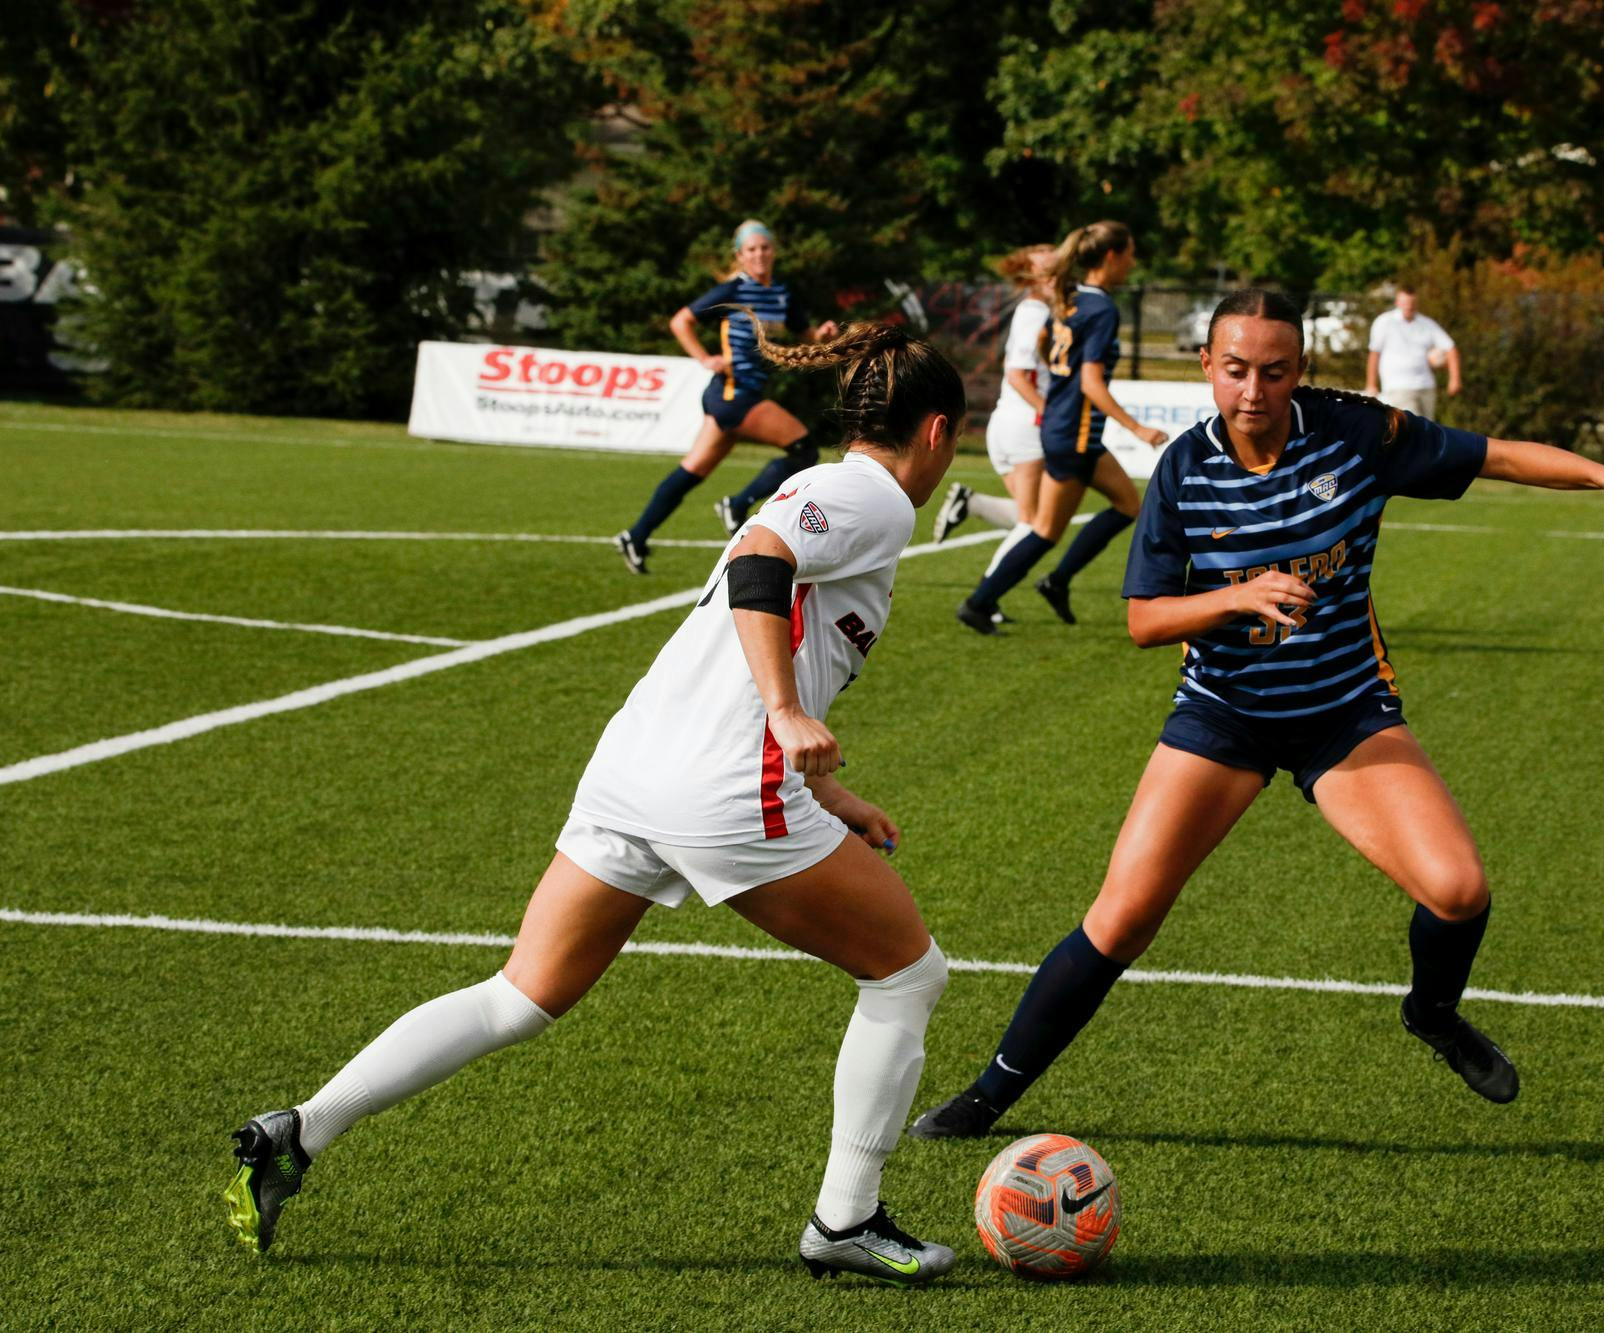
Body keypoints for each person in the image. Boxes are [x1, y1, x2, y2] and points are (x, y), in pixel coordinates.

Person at [227, 321, 966, 1286]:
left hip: (638, 766)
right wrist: (785, 715)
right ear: (940, 433)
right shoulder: (871, 495)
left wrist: (831, 785)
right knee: (907, 975)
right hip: (718, 785)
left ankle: (299, 1130)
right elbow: (759, 564)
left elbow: (764, 634)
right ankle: (846, 1218)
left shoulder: (842, 493)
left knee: (518, 996)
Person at [911, 289, 1604, 1140]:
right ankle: (986, 1095)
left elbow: (1491, 455)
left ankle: (1431, 1014)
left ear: (1301, 372)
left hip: (1342, 713)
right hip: (1223, 718)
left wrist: (1600, 472)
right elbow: (1143, 619)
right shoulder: (1181, 470)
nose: (1253, 390)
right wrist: (1234, 597)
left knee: (1460, 891)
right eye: (1235, 369)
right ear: (1207, 365)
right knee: (1123, 916)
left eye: (1274, 373)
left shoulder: (1357, 434)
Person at [955, 221, 1170, 634]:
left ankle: (1052, 582)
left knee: (1128, 505)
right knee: (1047, 529)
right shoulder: (1101, 307)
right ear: (1111, 256)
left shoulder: (1071, 300)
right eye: (1129, 253)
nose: (1133, 261)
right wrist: (1138, 428)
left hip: (1064, 426)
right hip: (1074, 432)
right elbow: (1090, 382)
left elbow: (1055, 356)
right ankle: (982, 601)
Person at [614, 219, 838, 574]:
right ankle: (737, 505)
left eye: (764, 247)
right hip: (735, 394)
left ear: (773, 251)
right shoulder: (733, 289)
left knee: (692, 471)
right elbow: (680, 321)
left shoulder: (781, 293)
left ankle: (636, 536)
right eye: (751, 249)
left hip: (734, 395)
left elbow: (804, 333)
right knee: (804, 449)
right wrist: (704, 358)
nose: (759, 254)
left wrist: (820, 333)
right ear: (740, 255)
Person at [932, 245, 1054, 619]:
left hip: (1009, 423)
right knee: (1035, 523)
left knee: (1029, 516)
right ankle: (984, 599)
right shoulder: (1035, 314)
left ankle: (973, 504)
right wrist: (1049, 413)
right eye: (1052, 270)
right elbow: (1017, 374)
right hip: (1025, 426)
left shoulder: (1034, 310)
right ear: (1036, 279)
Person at [1365, 285, 1460, 418]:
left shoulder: (1427, 324)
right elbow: (1374, 354)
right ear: (1397, 302)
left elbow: (1450, 348)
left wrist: (1454, 379)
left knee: (1427, 430)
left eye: (1412, 303)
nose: (1409, 307)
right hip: (1398, 388)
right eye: (1405, 303)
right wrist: (1371, 384)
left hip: (1426, 387)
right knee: (1412, 429)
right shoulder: (1385, 322)